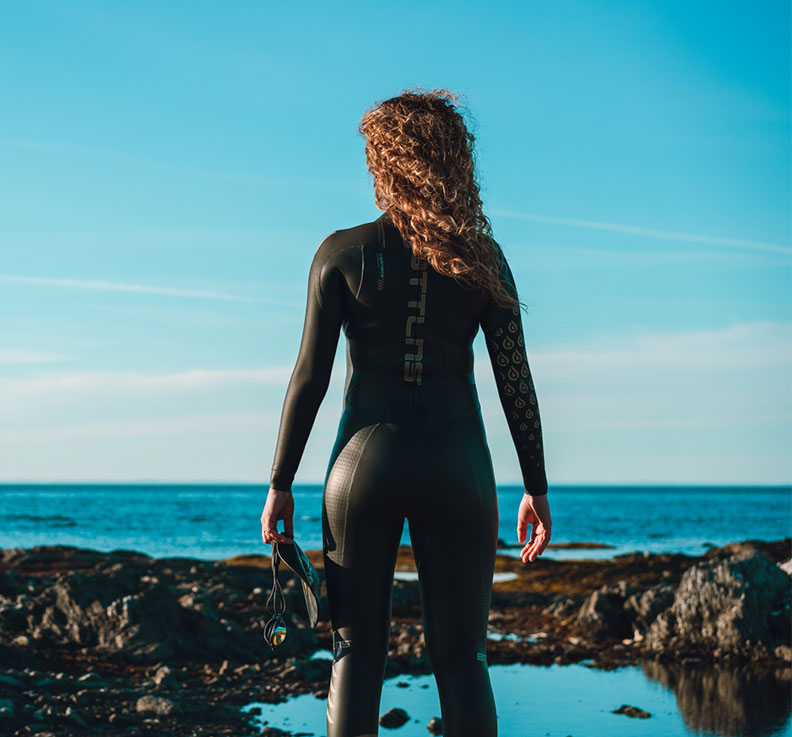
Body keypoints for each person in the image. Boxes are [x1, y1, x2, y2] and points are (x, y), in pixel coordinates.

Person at [260, 87, 551, 737]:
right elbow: (516, 383)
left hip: (362, 468)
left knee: (355, 655)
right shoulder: (483, 258)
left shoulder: (339, 253)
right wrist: (537, 485)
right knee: (463, 660)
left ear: (386, 164)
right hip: (459, 469)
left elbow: (308, 377)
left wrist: (281, 482)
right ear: (453, 165)